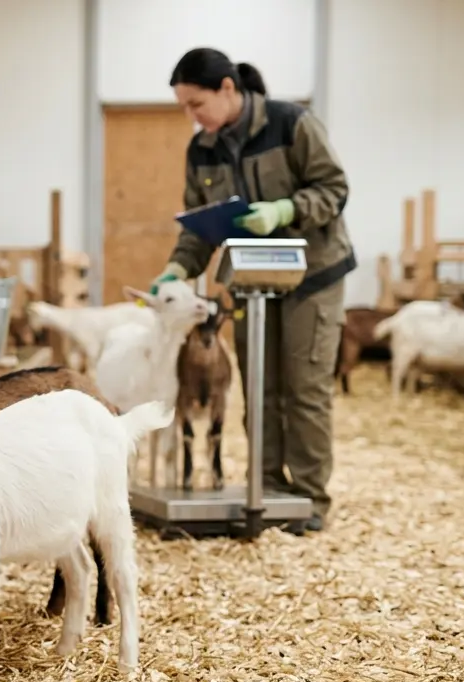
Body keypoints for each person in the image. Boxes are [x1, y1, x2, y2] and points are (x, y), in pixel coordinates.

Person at [149, 48, 355, 534]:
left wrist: (285, 210)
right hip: (248, 277)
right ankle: (266, 490)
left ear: (227, 89)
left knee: (303, 387)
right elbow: (198, 227)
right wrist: (176, 269)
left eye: (195, 103)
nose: (190, 116)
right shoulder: (201, 150)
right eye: (183, 106)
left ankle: (307, 500)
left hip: (312, 273)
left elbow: (334, 187)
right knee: (260, 385)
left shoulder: (292, 124)